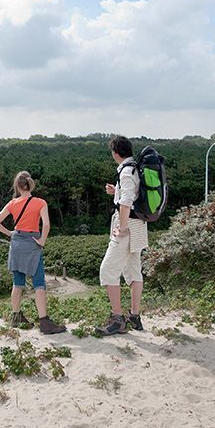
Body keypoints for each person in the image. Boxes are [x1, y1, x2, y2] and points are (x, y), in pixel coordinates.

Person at [0, 171, 66, 335]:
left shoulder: (12, 203)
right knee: (39, 283)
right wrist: (42, 241)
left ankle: (16, 317)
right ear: (30, 184)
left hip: (17, 243)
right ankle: (44, 322)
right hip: (32, 243)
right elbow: (46, 225)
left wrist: (10, 233)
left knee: (17, 283)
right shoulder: (40, 202)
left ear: (18, 186)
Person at [95, 135, 147, 336]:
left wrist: (122, 226)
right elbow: (131, 194)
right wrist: (115, 191)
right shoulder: (135, 168)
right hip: (139, 225)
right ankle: (134, 316)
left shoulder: (126, 172)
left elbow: (126, 201)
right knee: (134, 270)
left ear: (115, 153)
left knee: (108, 270)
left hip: (127, 226)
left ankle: (117, 320)